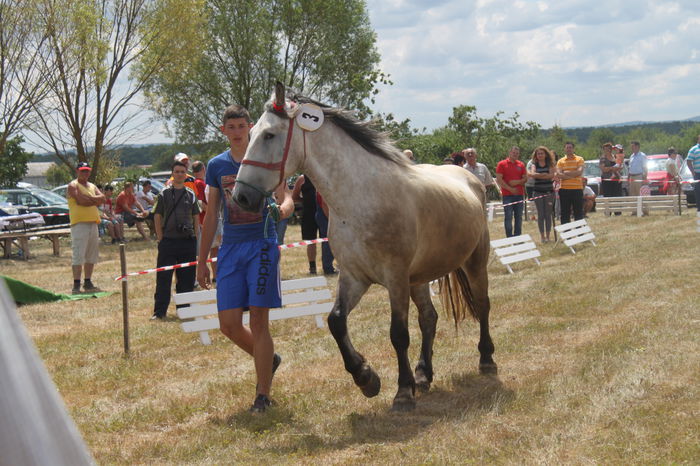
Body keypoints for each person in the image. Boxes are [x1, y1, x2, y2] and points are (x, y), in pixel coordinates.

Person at [196, 104, 294, 414]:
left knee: (259, 321)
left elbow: (286, 197)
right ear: (223, 131)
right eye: (232, 127)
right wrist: (202, 260)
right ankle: (269, 359)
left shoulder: (265, 157)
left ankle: (262, 394)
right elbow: (212, 214)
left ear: (250, 127)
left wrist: (283, 210)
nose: (237, 132)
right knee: (228, 325)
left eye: (242, 126)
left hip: (262, 246)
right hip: (230, 250)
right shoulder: (216, 165)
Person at [151, 161, 200, 320]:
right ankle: (159, 312)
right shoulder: (163, 193)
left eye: (182, 172)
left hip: (187, 241)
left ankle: (184, 310)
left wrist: (196, 239)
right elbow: (157, 216)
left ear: (186, 174)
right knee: (163, 279)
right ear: (173, 174)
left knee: (186, 279)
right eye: (177, 171)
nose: (179, 174)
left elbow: (196, 218)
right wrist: (160, 238)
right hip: (168, 242)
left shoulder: (191, 194)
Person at [66, 162, 106, 294]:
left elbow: (103, 198)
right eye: (83, 171)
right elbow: (80, 201)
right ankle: (76, 284)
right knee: (78, 254)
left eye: (87, 171)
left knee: (91, 255)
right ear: (77, 171)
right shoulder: (73, 185)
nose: (85, 173)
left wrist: (89, 199)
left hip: (93, 223)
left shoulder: (92, 186)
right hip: (79, 224)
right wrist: (94, 200)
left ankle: (88, 282)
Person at [292, 174, 323, 275]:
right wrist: (304, 201)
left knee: (328, 241)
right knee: (310, 242)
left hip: (324, 212)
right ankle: (312, 267)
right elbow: (294, 197)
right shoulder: (302, 179)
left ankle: (328, 265)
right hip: (308, 214)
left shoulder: (321, 174)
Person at [495, 146, 527, 237]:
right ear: (510, 152)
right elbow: (499, 180)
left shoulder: (521, 164)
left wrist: (516, 182)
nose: (515, 155)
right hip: (507, 195)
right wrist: (511, 189)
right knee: (508, 217)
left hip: (520, 194)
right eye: (514, 153)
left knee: (519, 217)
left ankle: (517, 236)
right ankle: (509, 237)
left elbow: (525, 178)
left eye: (517, 153)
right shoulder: (502, 164)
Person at [527, 146, 555, 242]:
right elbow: (532, 174)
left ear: (546, 154)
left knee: (548, 215)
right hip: (537, 192)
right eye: (538, 154)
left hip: (549, 192)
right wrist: (544, 175)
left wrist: (539, 175)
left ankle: (548, 236)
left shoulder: (550, 164)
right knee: (541, 215)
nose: (540, 155)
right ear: (536, 155)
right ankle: (542, 237)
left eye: (542, 153)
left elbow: (552, 175)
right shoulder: (534, 164)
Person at [555, 142, 584, 224]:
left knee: (578, 213)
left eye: (570, 147)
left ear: (573, 149)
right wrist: (573, 175)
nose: (569, 149)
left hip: (577, 189)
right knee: (565, 213)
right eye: (567, 147)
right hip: (564, 189)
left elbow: (579, 172)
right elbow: (559, 174)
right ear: (564, 149)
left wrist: (566, 172)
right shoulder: (560, 161)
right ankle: (566, 233)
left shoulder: (579, 159)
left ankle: (580, 232)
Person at [314, 191, 336, 275]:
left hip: (325, 214)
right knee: (328, 242)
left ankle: (329, 266)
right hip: (324, 214)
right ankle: (328, 268)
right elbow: (324, 204)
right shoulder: (323, 186)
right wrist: (331, 219)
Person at [687, 135, 700, 212]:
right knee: (698, 191)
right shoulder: (693, 149)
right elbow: (688, 161)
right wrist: (692, 172)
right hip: (698, 174)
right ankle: (699, 208)